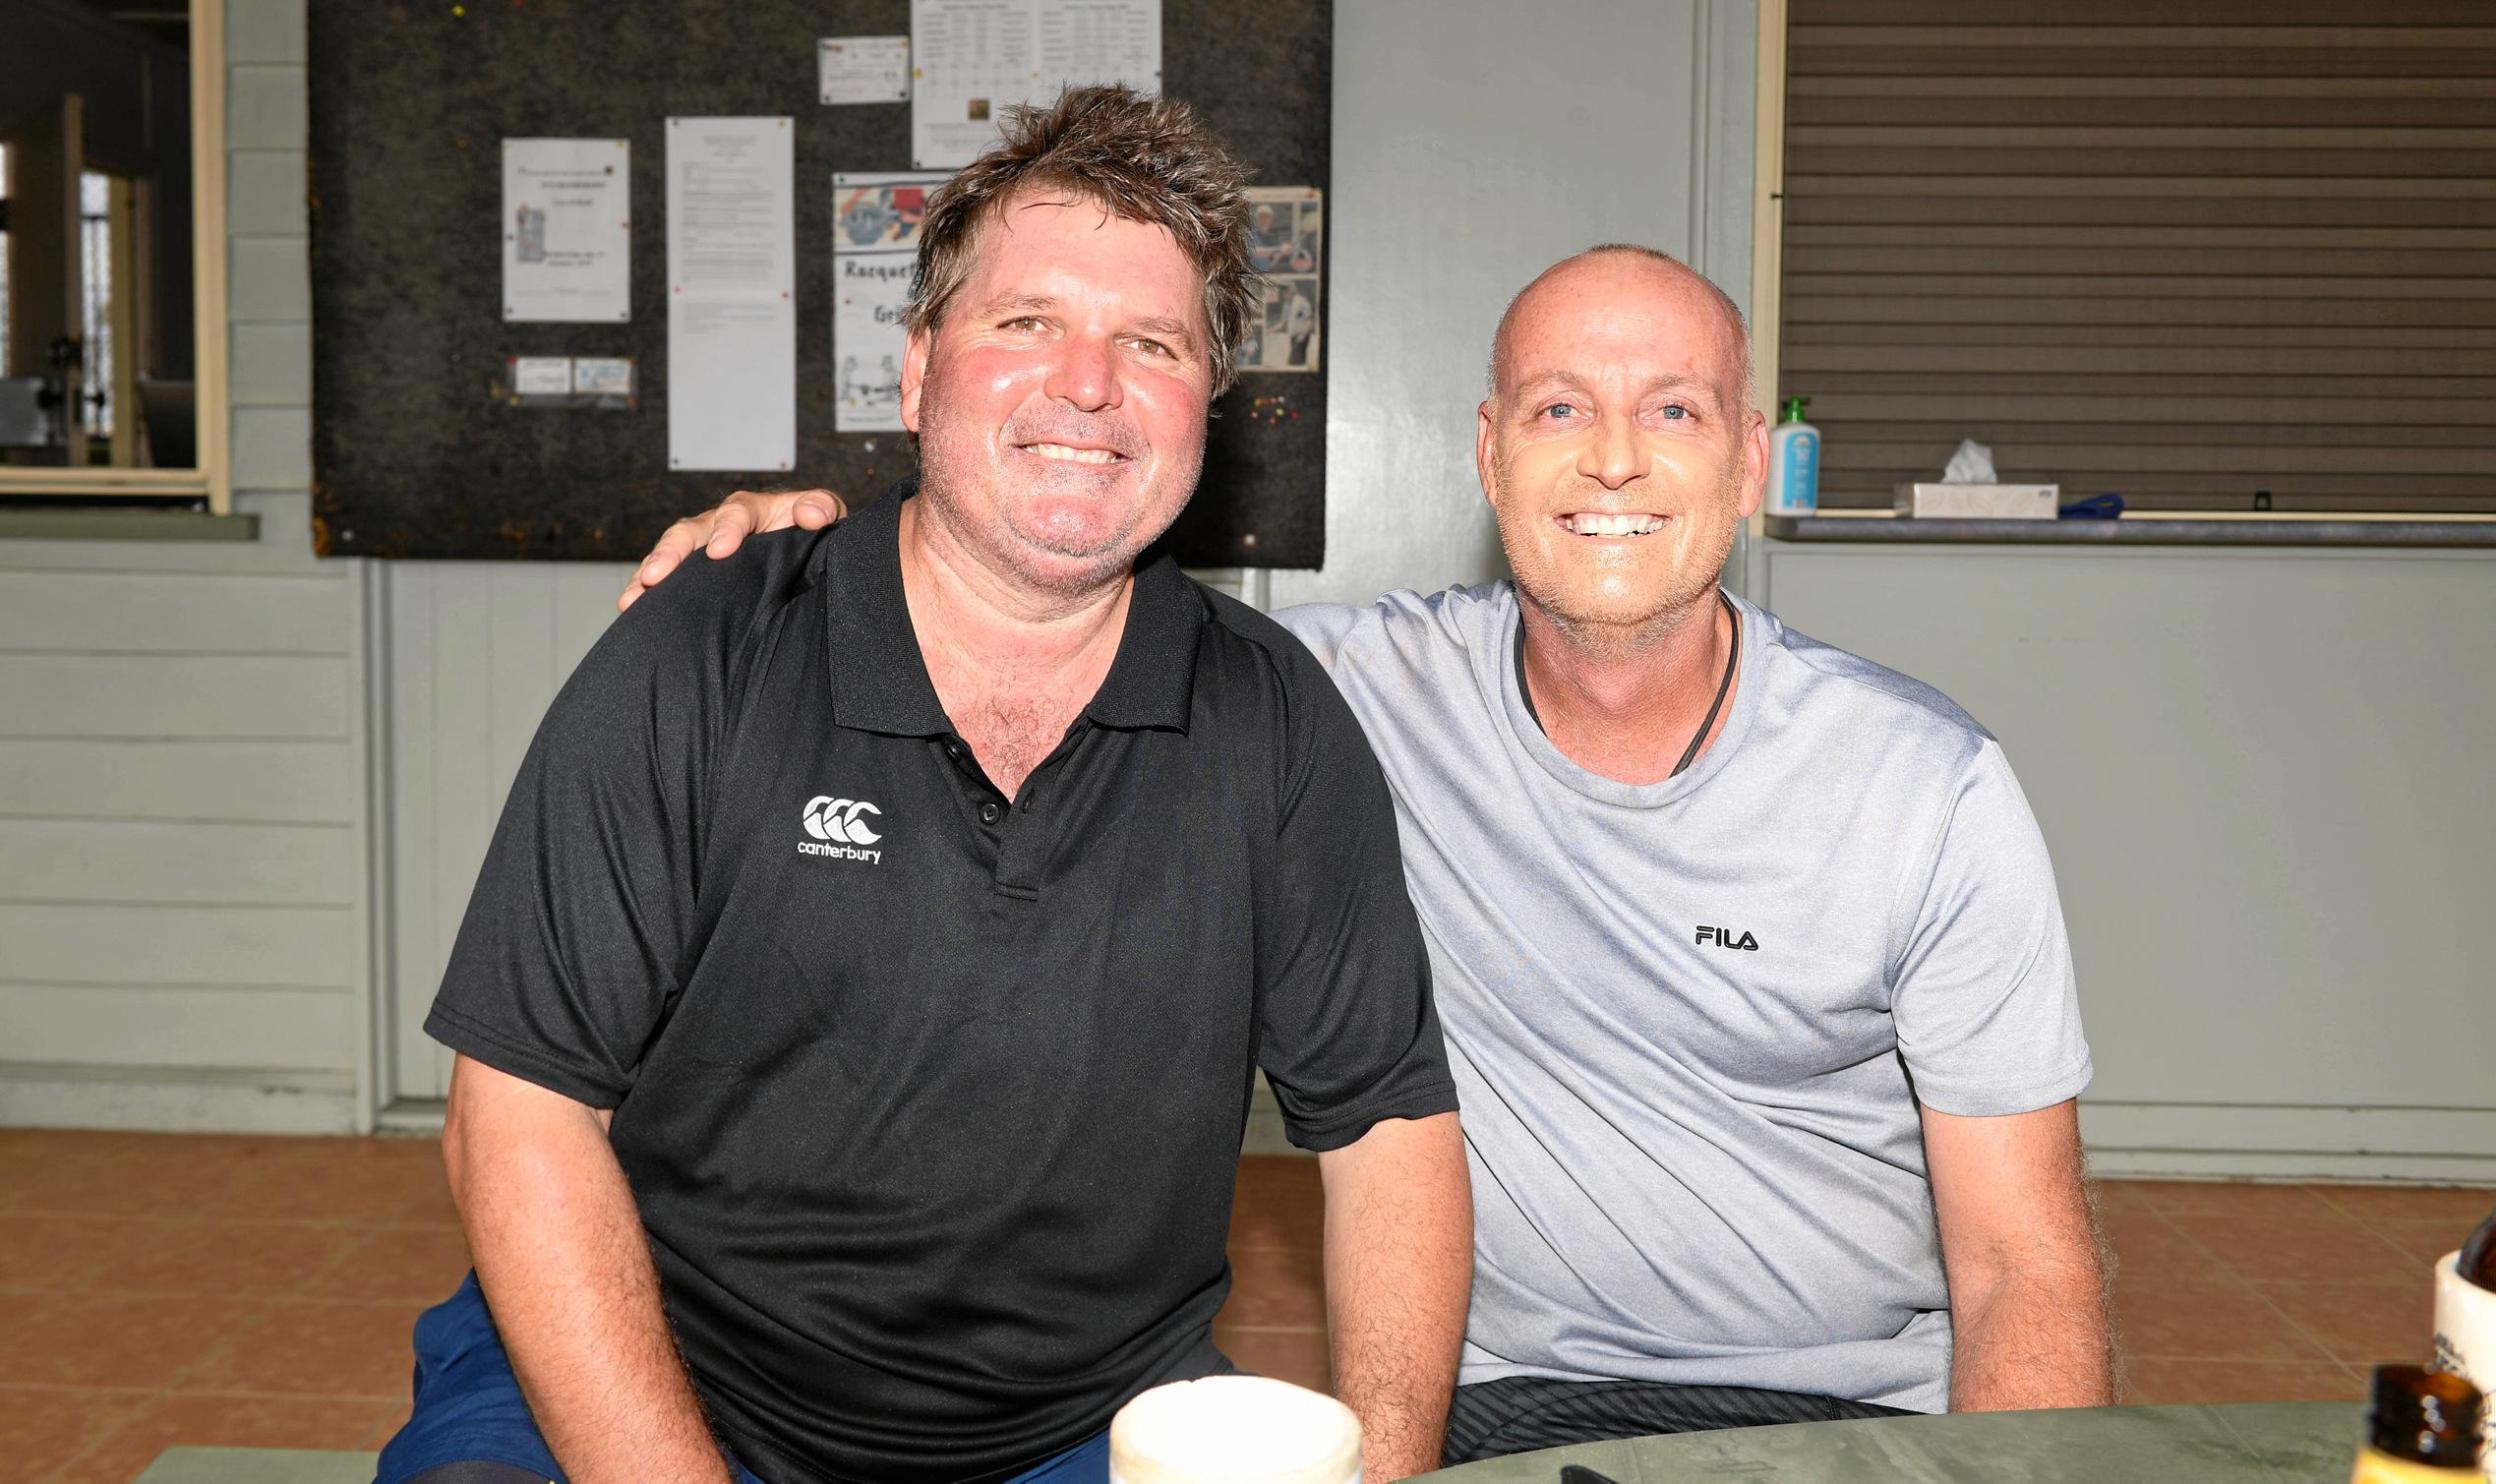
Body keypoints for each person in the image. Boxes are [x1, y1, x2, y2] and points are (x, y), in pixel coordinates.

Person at [634, 243, 2115, 1463]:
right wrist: (804, 547)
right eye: (1554, 409)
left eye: (1671, 412)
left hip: (1845, 1414)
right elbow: (1038, 598)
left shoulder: (1921, 785)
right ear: (1485, 451)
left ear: (1746, 464)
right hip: (1509, 1411)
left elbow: (2020, 1266)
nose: (1610, 458)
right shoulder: (1329, 699)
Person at [382, 87, 1470, 1484]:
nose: (1089, 382)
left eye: (1151, 342)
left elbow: (1386, 1126)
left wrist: (1384, 1471)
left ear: (1207, 406)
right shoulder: (704, 649)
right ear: (915, 373)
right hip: (643, 1370)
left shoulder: (1273, 722)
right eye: (1028, 323)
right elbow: (516, 1114)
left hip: (1076, 1424)